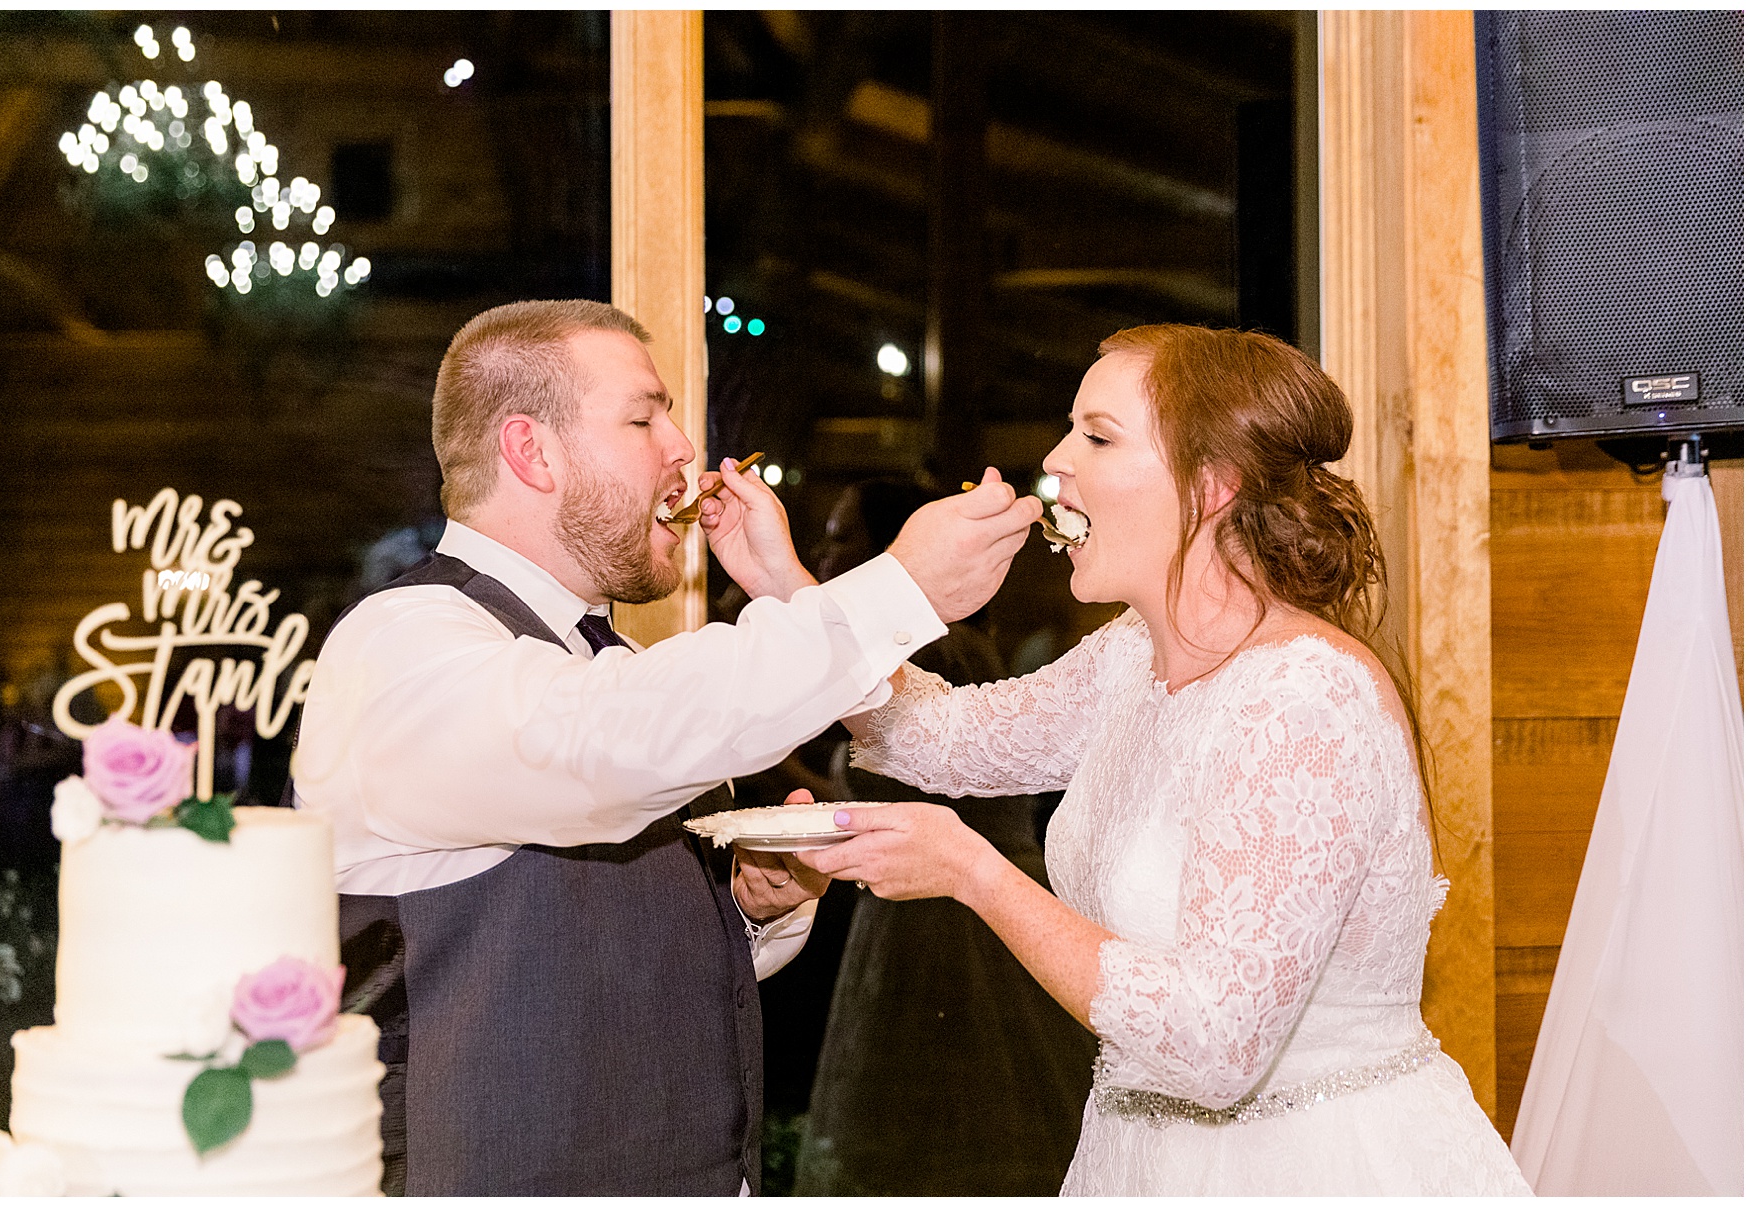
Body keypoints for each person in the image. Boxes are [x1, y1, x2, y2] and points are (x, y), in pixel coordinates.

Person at [287, 299, 1042, 1196]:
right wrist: (895, 591)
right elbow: (601, 742)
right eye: (644, 417)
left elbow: (613, 952)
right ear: (532, 451)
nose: (683, 447)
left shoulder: (612, 662)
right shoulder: (403, 644)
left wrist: (751, 909)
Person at [797, 324, 1533, 1194]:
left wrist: (972, 870)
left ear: (1211, 484)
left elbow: (1217, 1042)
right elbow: (931, 736)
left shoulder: (1305, 699)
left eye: (1099, 436)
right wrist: (784, 580)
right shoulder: (1130, 656)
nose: (1057, 459)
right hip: (1138, 1162)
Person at [791, 479, 1097, 1196]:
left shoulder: (947, 652)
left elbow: (920, 773)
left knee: (959, 1134)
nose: (827, 549)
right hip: (913, 908)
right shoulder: (914, 649)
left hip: (957, 929)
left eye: (842, 536)